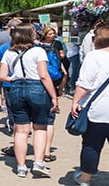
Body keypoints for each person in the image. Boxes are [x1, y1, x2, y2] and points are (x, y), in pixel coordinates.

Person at [0, 23, 59, 178]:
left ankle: (21, 167)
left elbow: (2, 76)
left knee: (21, 130)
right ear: (30, 35)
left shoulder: (9, 53)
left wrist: (16, 79)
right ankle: (38, 163)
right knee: (40, 128)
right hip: (37, 87)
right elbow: (44, 75)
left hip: (16, 88)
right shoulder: (39, 51)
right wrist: (53, 96)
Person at [70, 26, 109, 186]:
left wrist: (75, 101)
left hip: (99, 108)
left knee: (92, 145)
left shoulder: (94, 56)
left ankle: (85, 178)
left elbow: (84, 83)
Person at [38, 25, 69, 164]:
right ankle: (47, 151)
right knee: (49, 121)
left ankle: (38, 151)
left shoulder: (36, 48)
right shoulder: (56, 45)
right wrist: (60, 89)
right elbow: (64, 72)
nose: (52, 35)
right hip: (54, 84)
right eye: (50, 33)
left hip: (38, 84)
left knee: (36, 122)